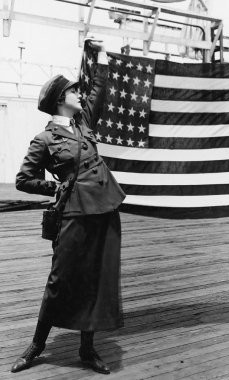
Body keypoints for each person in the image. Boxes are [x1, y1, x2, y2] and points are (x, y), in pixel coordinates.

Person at [11, 40, 126, 375]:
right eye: (74, 91)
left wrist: (102, 54)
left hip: (105, 208)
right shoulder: (44, 140)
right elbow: (23, 179)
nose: (80, 94)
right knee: (60, 280)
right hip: (74, 212)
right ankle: (37, 345)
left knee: (96, 278)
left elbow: (99, 89)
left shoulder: (84, 125)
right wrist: (55, 185)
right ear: (61, 99)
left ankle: (87, 349)